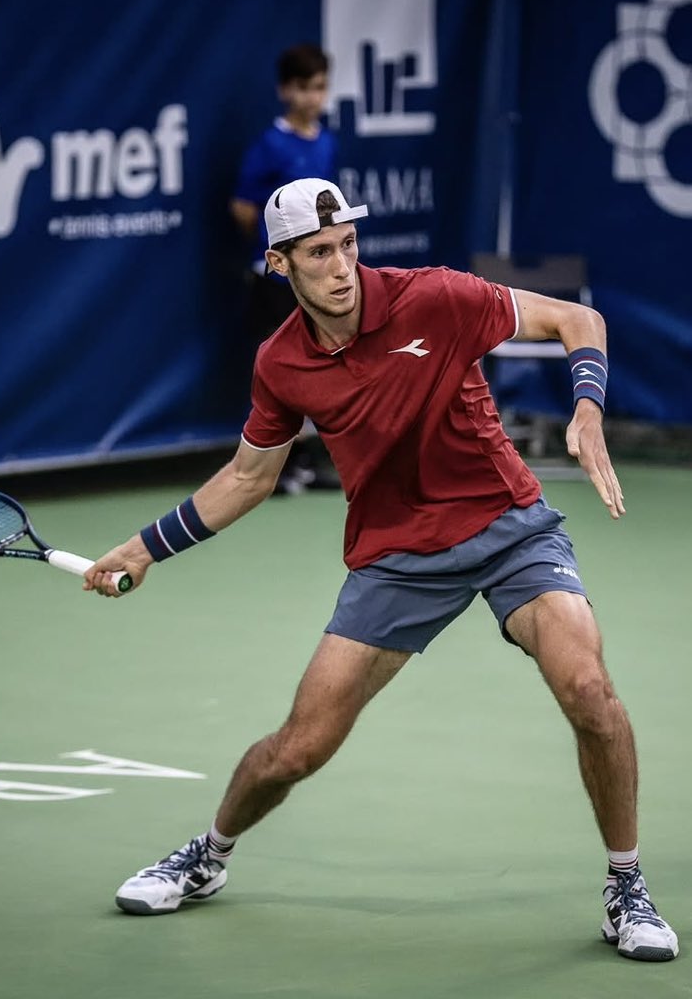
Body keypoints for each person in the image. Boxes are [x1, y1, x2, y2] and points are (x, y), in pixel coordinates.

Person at [84, 178, 678, 962]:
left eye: (349, 246)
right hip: (397, 557)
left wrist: (588, 406)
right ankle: (209, 853)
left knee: (589, 690)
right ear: (280, 264)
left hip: (507, 527)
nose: (341, 267)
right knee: (300, 746)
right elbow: (249, 477)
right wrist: (144, 546)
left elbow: (576, 317)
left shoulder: (434, 297)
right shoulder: (281, 363)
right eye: (320, 253)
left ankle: (626, 885)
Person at [230, 43, 339, 494]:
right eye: (304, 88)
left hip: (317, 279)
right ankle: (277, 467)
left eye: (320, 88)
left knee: (324, 366)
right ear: (284, 91)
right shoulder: (269, 145)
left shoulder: (328, 141)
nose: (313, 98)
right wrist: (278, 252)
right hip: (276, 279)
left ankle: (313, 461)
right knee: (283, 371)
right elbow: (242, 207)